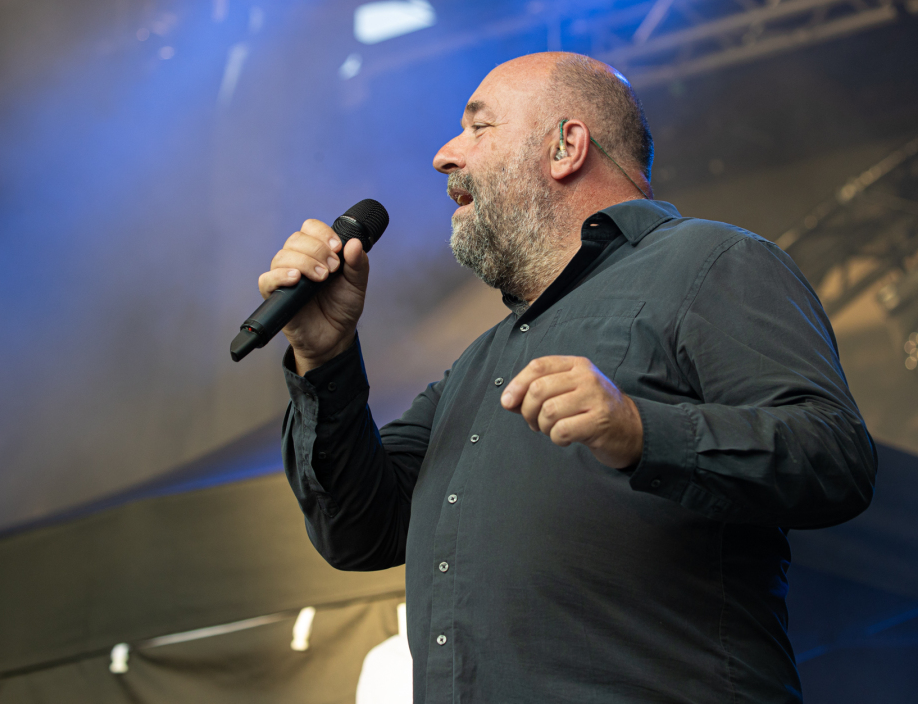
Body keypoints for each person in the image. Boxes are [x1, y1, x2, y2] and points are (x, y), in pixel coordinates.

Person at [258, 52, 876, 703]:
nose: (444, 154)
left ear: (565, 146)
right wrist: (323, 360)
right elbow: (358, 531)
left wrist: (642, 430)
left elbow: (833, 454)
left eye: (478, 127)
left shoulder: (710, 259)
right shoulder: (477, 362)